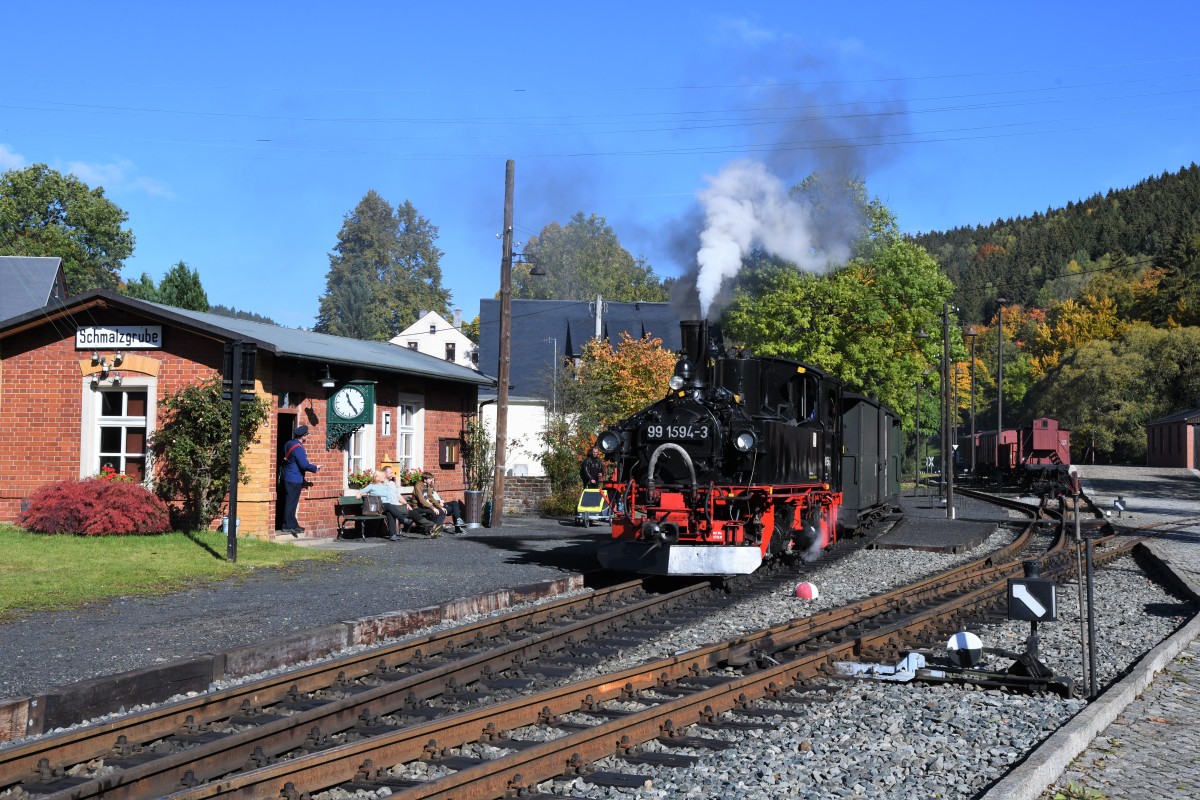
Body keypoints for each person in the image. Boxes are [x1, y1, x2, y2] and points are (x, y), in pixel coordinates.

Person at [280, 425, 319, 536]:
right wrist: (315, 467)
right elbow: (304, 465)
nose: (307, 437)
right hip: (294, 478)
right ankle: (288, 525)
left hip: (286, 476)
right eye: (306, 435)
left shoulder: (288, 444)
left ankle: (292, 524)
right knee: (291, 503)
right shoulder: (298, 448)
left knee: (289, 502)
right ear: (303, 436)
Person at [358, 471, 409, 541]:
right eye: (383, 476)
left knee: (390, 512)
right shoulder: (371, 486)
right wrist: (363, 494)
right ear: (377, 477)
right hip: (376, 507)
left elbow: (389, 498)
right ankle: (402, 519)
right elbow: (359, 493)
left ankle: (393, 535)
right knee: (388, 506)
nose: (384, 477)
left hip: (385, 507)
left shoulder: (385, 486)